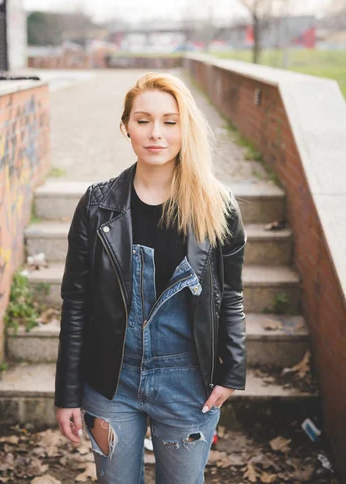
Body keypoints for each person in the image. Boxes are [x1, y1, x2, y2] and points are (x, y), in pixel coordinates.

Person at [54, 72, 247, 484]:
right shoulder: (96, 205)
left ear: (185, 128)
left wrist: (231, 372)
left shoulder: (219, 207)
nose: (155, 133)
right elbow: (76, 303)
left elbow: (230, 295)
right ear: (125, 126)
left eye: (169, 121)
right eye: (143, 120)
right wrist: (67, 393)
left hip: (187, 382)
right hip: (111, 383)